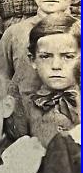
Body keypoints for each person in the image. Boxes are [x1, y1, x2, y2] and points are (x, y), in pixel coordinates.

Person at [17, 13, 81, 148]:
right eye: (45, 57)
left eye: (67, 56)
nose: (56, 66)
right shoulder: (25, 107)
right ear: (32, 60)